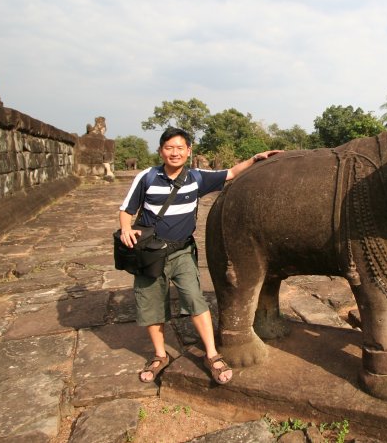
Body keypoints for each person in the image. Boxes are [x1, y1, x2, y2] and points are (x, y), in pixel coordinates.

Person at [118, 127, 281, 384]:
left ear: (188, 151)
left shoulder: (195, 178)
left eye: (179, 148)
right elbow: (127, 209)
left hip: (181, 250)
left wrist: (254, 159)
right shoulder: (147, 177)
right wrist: (126, 228)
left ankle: (212, 354)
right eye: (169, 148)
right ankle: (160, 355)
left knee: (195, 300)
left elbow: (229, 173)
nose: (174, 153)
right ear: (161, 150)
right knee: (151, 304)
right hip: (149, 253)